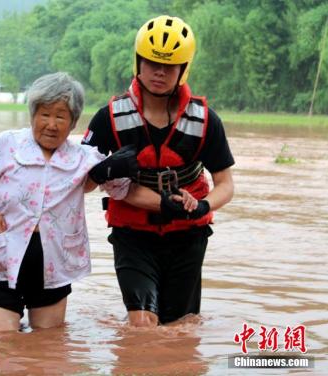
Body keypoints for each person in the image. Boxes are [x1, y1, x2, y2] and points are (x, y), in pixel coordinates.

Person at [84, 15, 235, 326]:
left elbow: (225, 183)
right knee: (142, 323)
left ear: (183, 69)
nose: (159, 72)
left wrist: (204, 206)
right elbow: (81, 183)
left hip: (188, 237)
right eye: (152, 63)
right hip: (133, 236)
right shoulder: (109, 118)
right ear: (138, 62)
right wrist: (101, 171)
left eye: (170, 66)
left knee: (180, 326)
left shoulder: (205, 120)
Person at [0, 72, 128, 334]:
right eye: (44, 114)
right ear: (33, 115)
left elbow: (120, 191)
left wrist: (117, 167)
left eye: (60, 116)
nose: (51, 124)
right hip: (2, 261)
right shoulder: (5, 146)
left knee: (48, 347)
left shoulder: (84, 158)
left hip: (53, 266)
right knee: (1, 343)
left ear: (73, 122)